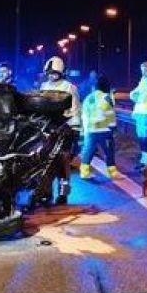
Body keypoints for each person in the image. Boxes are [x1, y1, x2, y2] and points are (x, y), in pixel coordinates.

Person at [39, 56, 81, 203]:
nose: (51, 75)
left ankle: (63, 194)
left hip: (65, 129)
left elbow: (75, 111)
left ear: (61, 73)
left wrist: (74, 131)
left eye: (54, 72)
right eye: (49, 72)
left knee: (63, 164)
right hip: (47, 129)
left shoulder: (69, 87)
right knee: (45, 164)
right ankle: (46, 193)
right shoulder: (44, 86)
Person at [79, 75, 123, 180]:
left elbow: (83, 114)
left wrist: (84, 130)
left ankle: (84, 172)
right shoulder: (106, 97)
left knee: (88, 151)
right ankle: (112, 172)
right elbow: (110, 115)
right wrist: (113, 129)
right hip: (104, 130)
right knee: (109, 151)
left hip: (90, 129)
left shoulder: (88, 98)